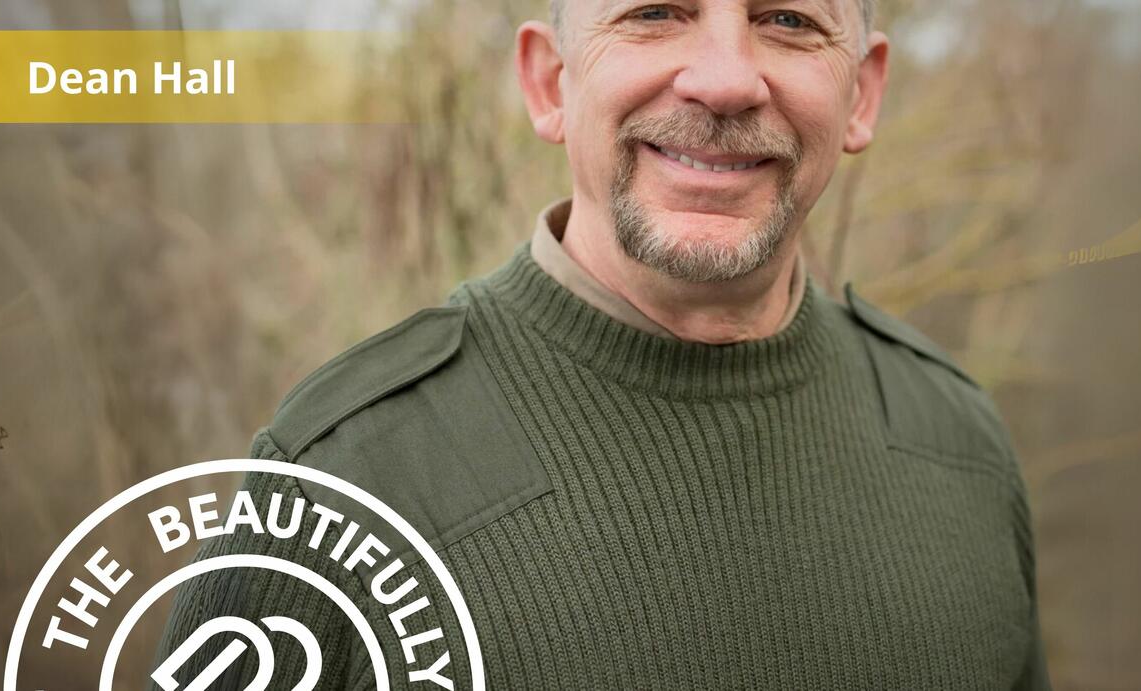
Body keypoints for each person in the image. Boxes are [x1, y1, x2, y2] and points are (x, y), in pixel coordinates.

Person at [156, 0, 1051, 688]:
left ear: (863, 94)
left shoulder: (960, 446)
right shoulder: (345, 478)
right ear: (550, 82)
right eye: (655, 11)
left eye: (787, 20)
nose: (725, 80)